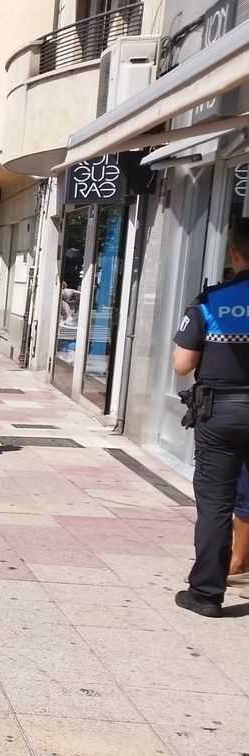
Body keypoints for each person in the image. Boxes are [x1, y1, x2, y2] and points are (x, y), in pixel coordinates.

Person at [173, 218, 249, 617]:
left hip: (222, 412)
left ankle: (205, 595)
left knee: (216, 505)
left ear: (234, 254)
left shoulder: (212, 301)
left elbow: (182, 365)